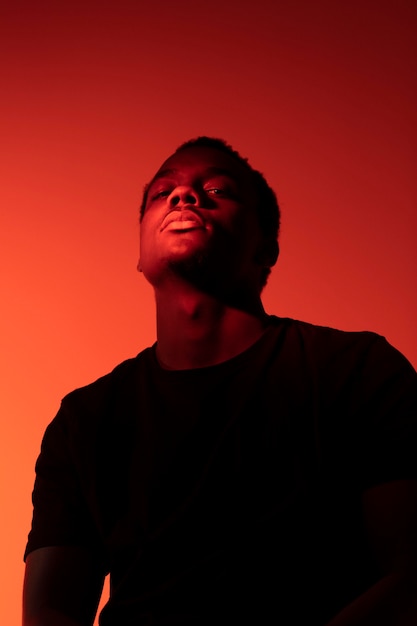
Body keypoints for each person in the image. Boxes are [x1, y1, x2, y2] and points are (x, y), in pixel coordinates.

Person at [23, 136, 417, 626]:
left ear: (266, 247)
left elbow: (411, 578)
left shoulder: (357, 370)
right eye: (161, 193)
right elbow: (50, 609)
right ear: (140, 253)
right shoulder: (84, 419)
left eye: (217, 189)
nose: (184, 197)